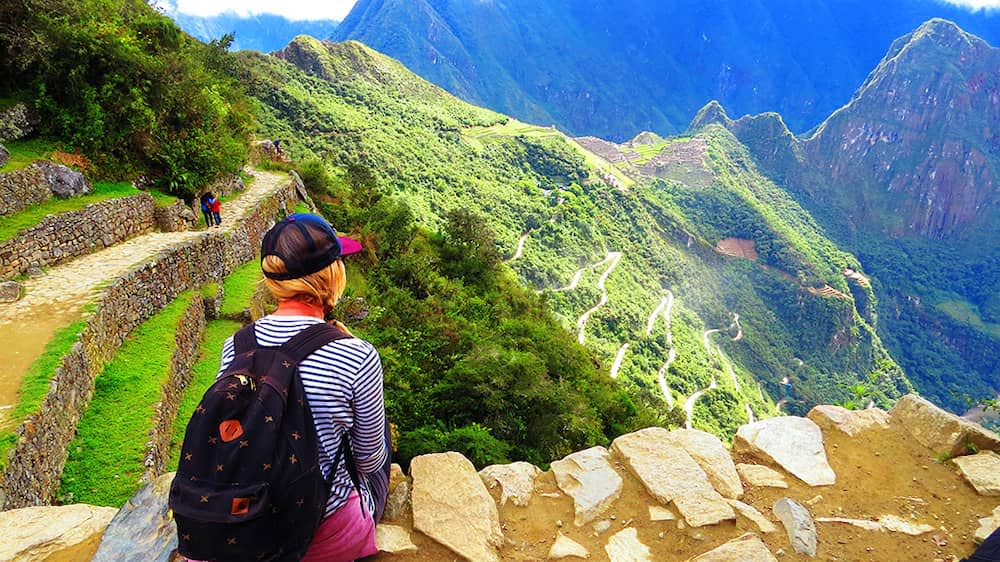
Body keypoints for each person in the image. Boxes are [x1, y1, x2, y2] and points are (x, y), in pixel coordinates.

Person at [214, 213, 389, 561]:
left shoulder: (236, 346)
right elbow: (369, 461)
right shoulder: (357, 354)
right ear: (332, 274)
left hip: (246, 522)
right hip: (323, 533)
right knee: (379, 448)